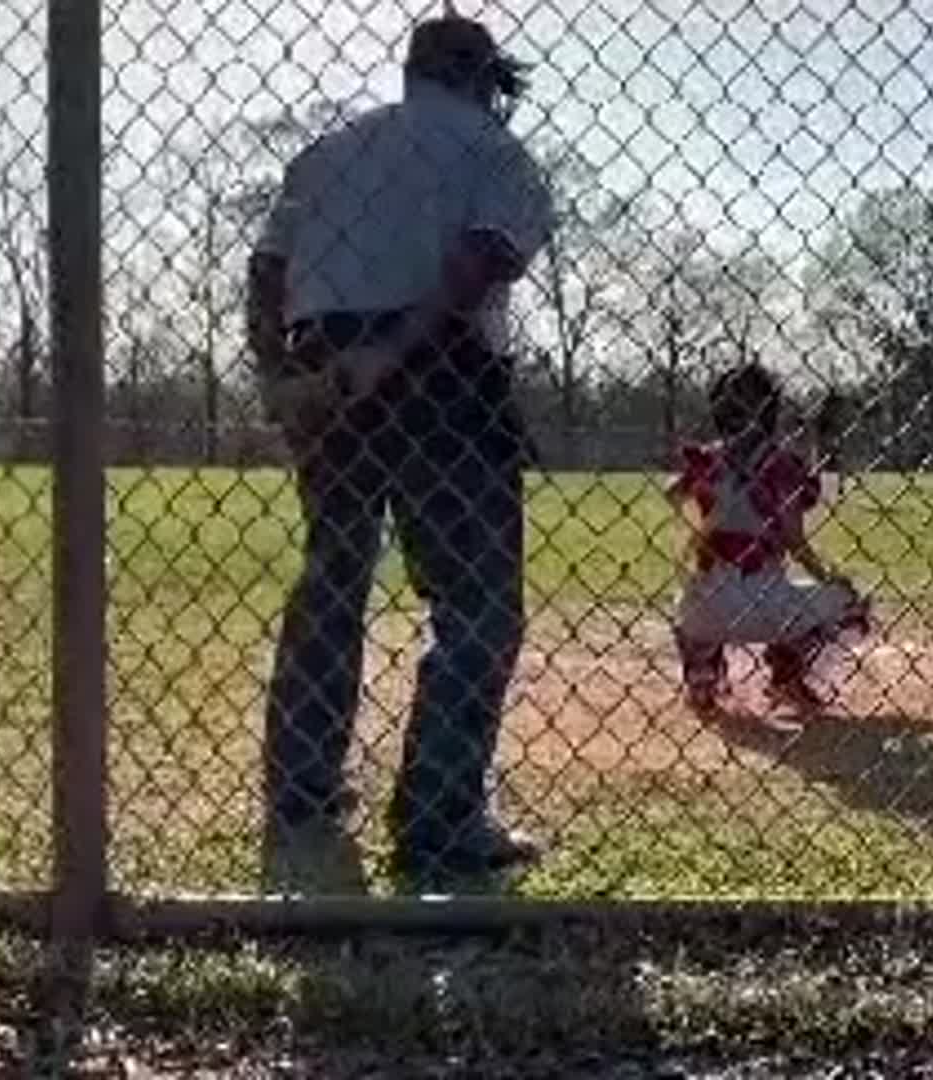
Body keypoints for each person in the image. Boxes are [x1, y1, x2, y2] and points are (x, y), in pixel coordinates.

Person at [243, 13, 556, 892]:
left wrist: (278, 374)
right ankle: (441, 816)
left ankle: (303, 796)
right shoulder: (494, 151)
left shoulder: (330, 151)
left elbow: (267, 271)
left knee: (334, 580)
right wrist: (399, 346)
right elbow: (481, 262)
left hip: (326, 360)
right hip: (442, 368)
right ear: (483, 79)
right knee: (476, 604)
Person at [666, 363, 870, 717]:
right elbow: (794, 540)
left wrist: (708, 513)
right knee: (854, 602)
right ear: (769, 409)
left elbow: (672, 496)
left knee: (688, 598)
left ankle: (703, 673)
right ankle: (787, 673)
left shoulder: (707, 458)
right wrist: (829, 577)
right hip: (765, 605)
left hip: (703, 604)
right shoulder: (782, 463)